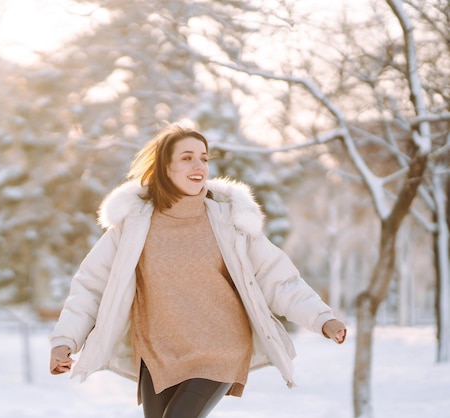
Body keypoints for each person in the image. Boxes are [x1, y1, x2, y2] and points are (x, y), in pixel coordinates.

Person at [49, 124, 347, 418]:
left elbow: (278, 278)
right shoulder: (132, 225)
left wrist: (322, 318)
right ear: (166, 167)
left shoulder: (229, 220)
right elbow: (91, 287)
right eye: (187, 157)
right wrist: (65, 341)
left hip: (220, 347)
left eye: (204, 158)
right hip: (157, 351)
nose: (199, 165)